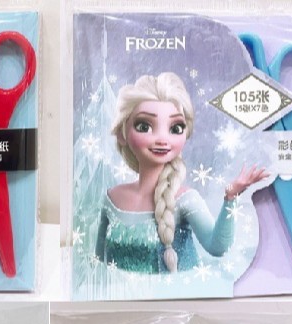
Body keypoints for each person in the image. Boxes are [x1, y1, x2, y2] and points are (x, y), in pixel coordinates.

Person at [96, 72, 267, 273]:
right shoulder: (111, 199)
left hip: (180, 291)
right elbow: (98, 260)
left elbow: (218, 247)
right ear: (122, 134)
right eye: (144, 126)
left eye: (175, 128)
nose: (162, 139)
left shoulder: (186, 200)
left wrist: (231, 198)